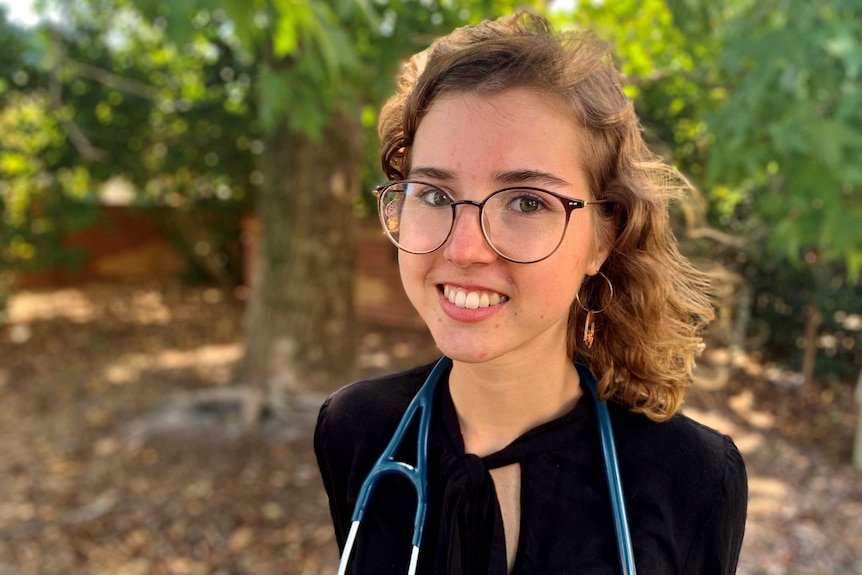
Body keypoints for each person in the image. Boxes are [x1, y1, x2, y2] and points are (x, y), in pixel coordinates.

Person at [315, 10, 747, 575]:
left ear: (603, 238)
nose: (466, 249)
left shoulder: (694, 480)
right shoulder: (354, 431)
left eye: (526, 201)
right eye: (434, 194)